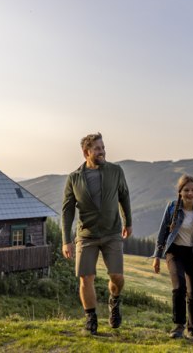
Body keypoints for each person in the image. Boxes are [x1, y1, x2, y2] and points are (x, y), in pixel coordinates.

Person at [61, 132, 132, 335]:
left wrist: (128, 222)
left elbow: (124, 196)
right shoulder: (74, 178)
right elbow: (67, 211)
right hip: (86, 235)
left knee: (117, 277)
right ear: (87, 152)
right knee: (86, 278)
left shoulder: (115, 171)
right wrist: (66, 240)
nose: (102, 152)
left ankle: (114, 301)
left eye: (103, 147)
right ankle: (91, 319)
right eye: (98, 149)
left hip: (112, 232)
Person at [151, 174, 193, 339]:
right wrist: (157, 256)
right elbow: (162, 233)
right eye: (186, 190)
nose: (190, 193)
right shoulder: (172, 207)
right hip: (175, 252)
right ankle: (179, 326)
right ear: (180, 192)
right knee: (179, 288)